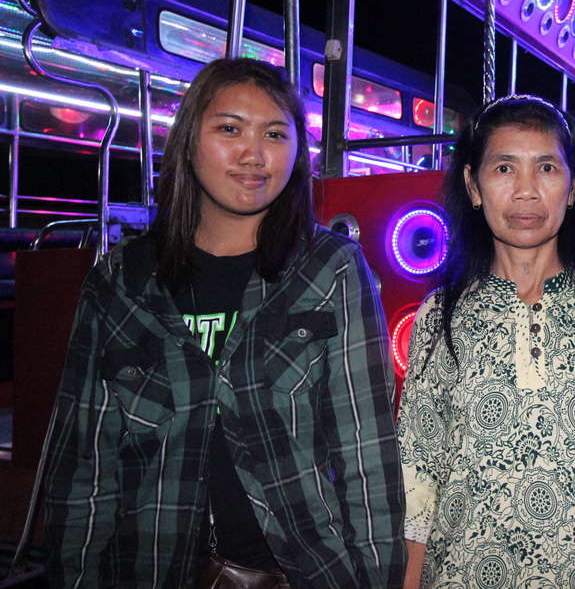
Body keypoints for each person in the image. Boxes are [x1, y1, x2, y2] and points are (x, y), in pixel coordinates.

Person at [43, 57, 406, 587]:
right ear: (188, 141)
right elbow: (83, 467)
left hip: (299, 572)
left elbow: (365, 453)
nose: (253, 155)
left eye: (275, 134)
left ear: (297, 155)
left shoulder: (329, 269)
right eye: (230, 129)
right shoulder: (122, 280)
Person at [396, 95, 575, 587]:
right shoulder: (439, 316)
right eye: (504, 168)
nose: (526, 191)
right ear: (473, 186)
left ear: (573, 187)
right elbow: (417, 481)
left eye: (547, 168)